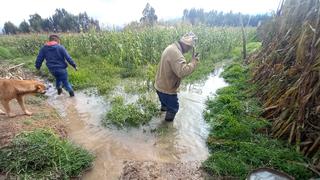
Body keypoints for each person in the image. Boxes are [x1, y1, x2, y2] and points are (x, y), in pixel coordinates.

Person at [154, 32, 199, 122]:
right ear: (186, 45)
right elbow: (182, 72)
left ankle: (160, 118)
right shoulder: (176, 53)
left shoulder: (171, 47)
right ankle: (166, 130)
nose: (189, 50)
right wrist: (194, 62)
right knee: (173, 108)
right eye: (190, 47)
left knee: (165, 106)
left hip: (159, 86)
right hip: (167, 90)